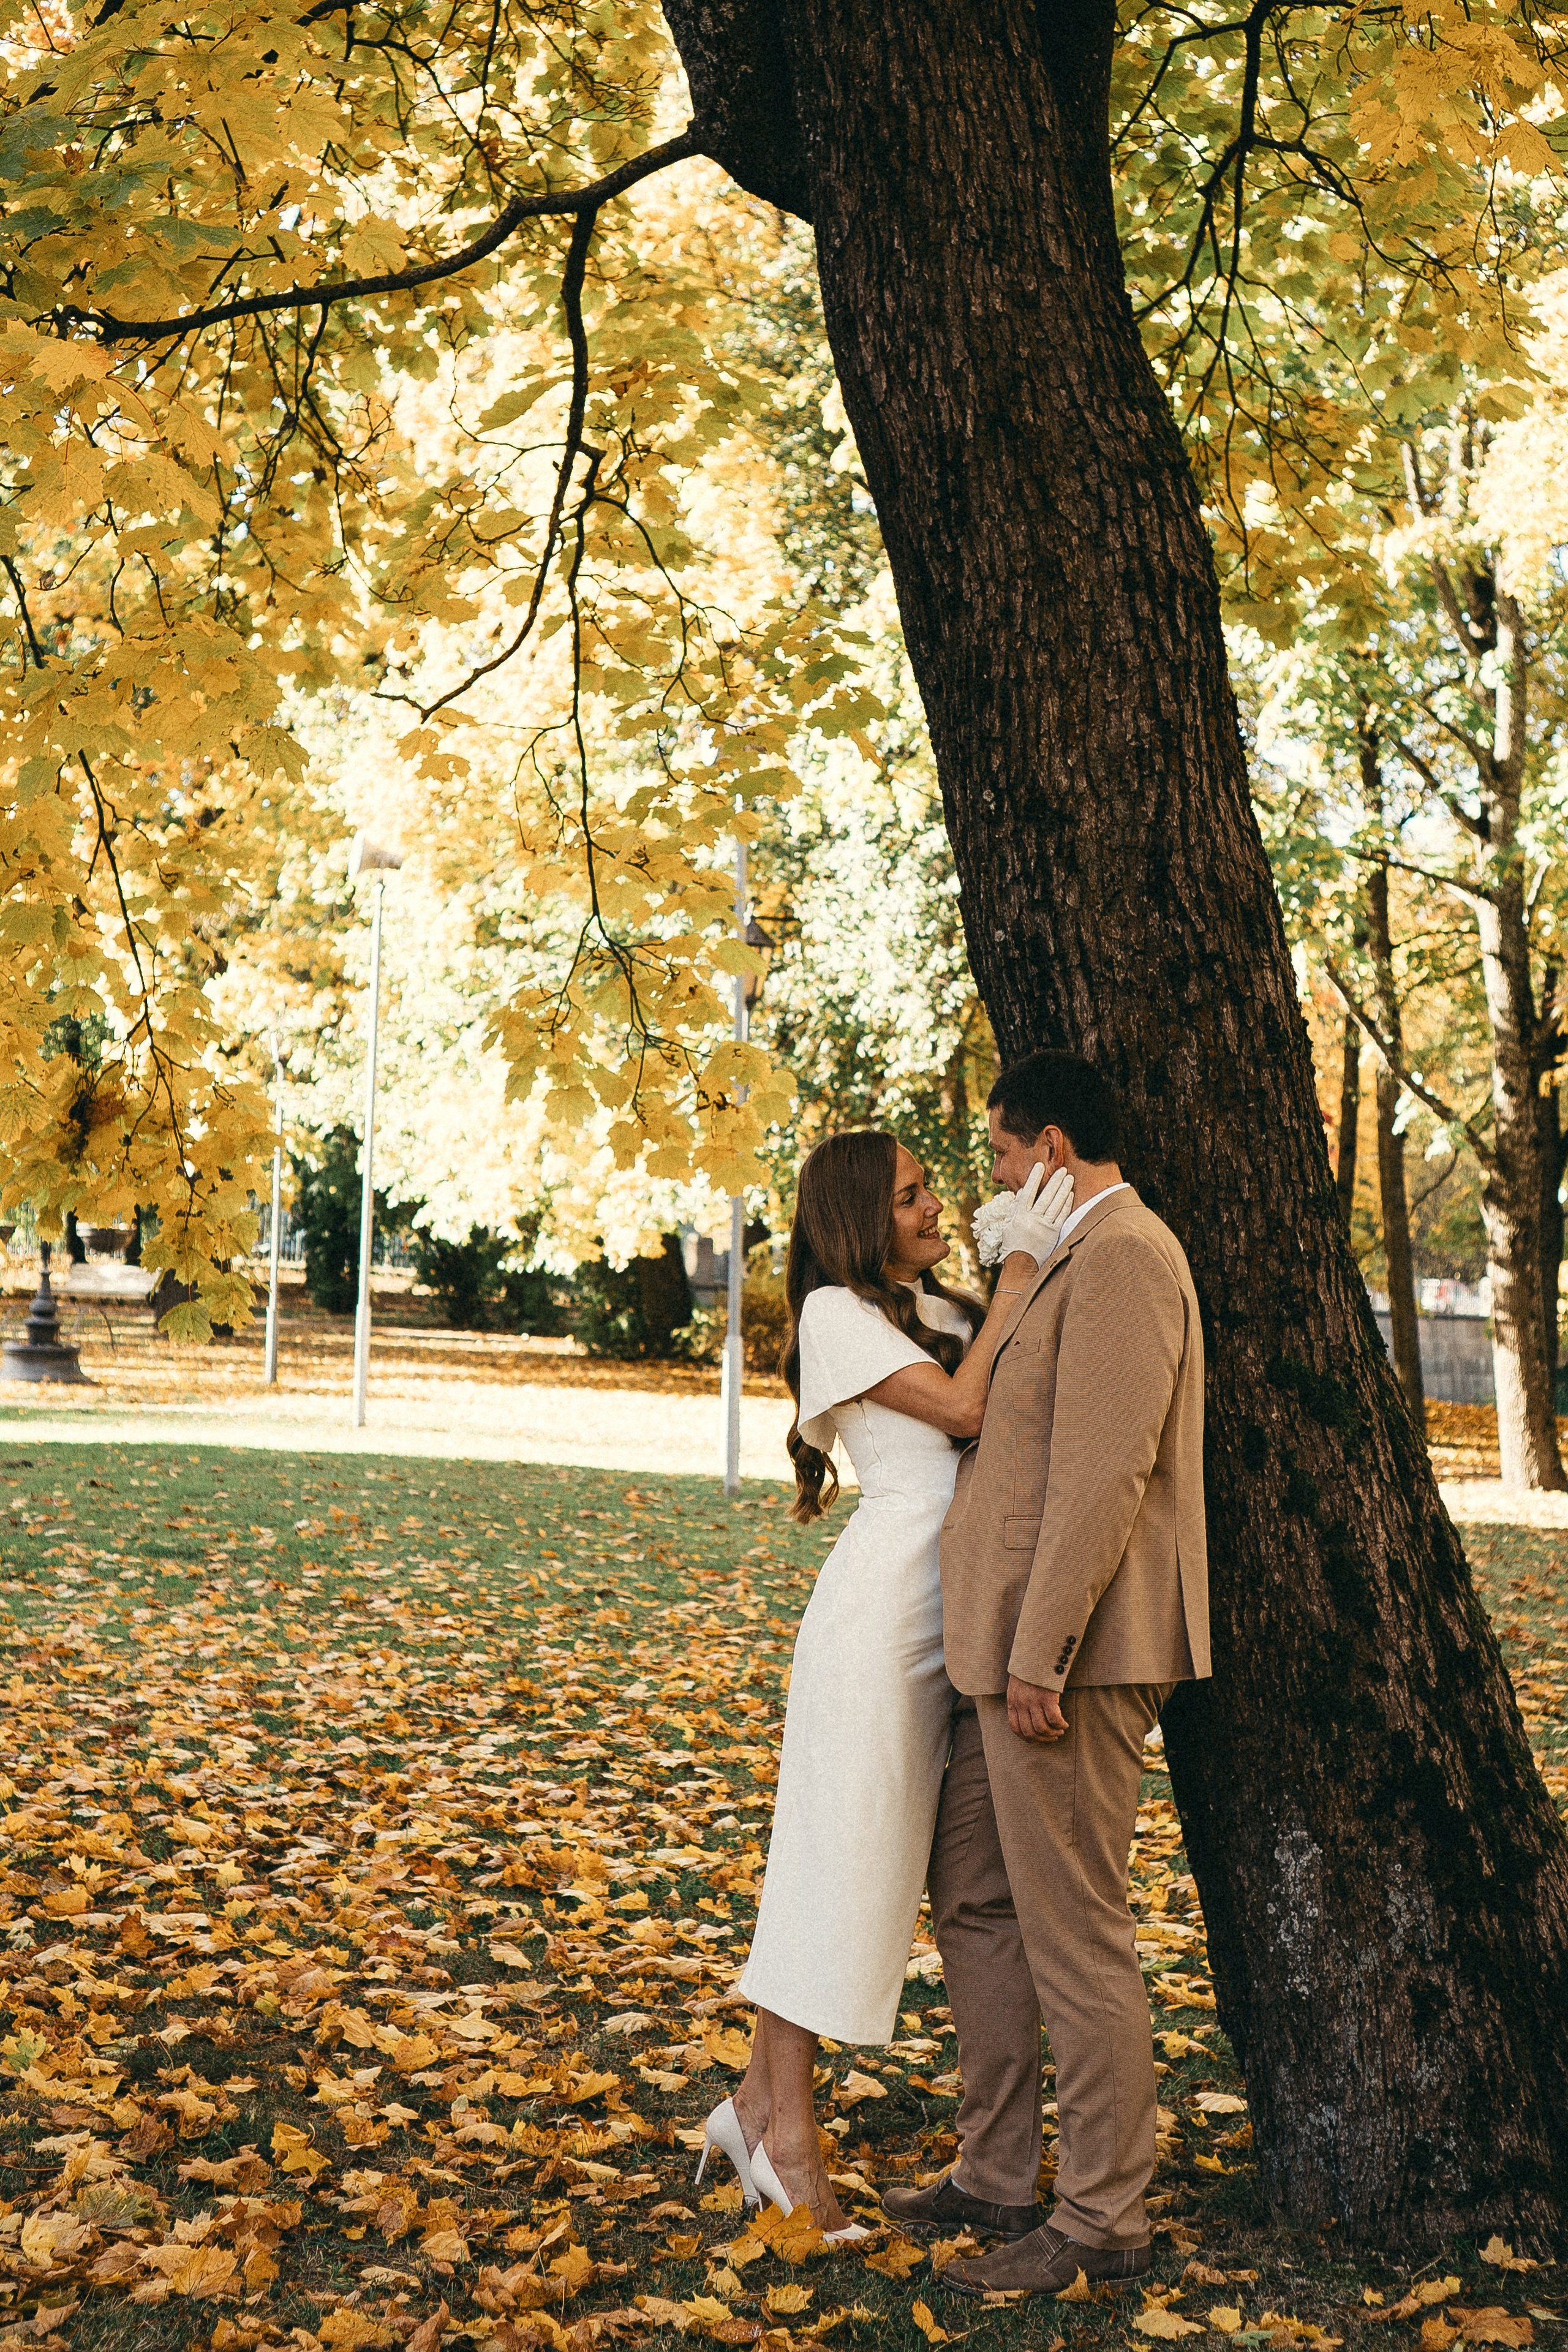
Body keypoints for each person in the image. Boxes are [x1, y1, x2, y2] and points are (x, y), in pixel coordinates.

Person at [694, 1127, 1072, 2235]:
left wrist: (1017, 1268)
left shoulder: (934, 1311)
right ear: (864, 1215)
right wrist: (1018, 1268)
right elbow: (965, 1412)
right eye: (912, 1197)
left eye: (935, 1190)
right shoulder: (834, 1316)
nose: (936, 1208)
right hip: (874, 1627)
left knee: (855, 1872)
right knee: (839, 1871)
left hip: (942, 1625)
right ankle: (788, 2144)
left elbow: (1010, 1383)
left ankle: (759, 2105)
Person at [881, 1049, 1210, 2295]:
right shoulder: (1065, 1259)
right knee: (971, 1899)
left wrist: (1043, 1655)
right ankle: (997, 2169)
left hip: (1066, 1657)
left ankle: (1100, 2219)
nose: (996, 1180)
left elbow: (1101, 1476)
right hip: (1000, 1648)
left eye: (1007, 1158)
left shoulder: (1126, 1254)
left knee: (1076, 1934)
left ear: (1055, 1149)